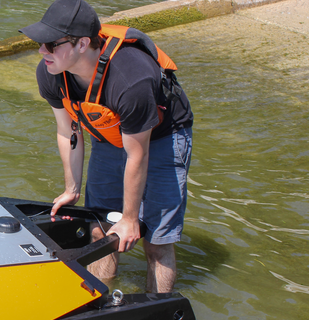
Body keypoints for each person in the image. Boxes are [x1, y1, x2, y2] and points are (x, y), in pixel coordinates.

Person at [19, 0, 194, 293]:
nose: (41, 51)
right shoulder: (50, 73)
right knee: (100, 227)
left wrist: (129, 219)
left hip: (160, 136)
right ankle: (97, 297)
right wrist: (71, 188)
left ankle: (155, 307)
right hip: (108, 131)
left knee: (156, 239)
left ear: (82, 43)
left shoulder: (130, 79)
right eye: (40, 43)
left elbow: (138, 154)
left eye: (50, 44)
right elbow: (67, 130)